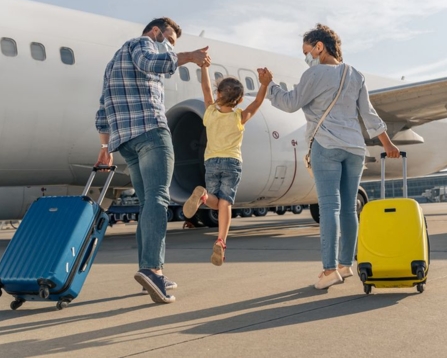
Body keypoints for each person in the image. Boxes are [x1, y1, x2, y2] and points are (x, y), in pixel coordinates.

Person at [260, 24, 400, 290]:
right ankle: (345, 265)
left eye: (307, 51)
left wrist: (269, 86)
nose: (306, 57)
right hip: (356, 148)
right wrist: (387, 143)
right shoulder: (355, 74)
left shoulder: (314, 74)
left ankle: (328, 270)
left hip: (326, 145)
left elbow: (290, 103)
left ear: (319, 47)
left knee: (329, 208)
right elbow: (369, 115)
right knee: (349, 209)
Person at [95, 17, 210, 304]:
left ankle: (148, 269)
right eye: (170, 39)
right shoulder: (143, 44)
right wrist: (190, 57)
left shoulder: (113, 64)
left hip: (126, 142)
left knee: (148, 204)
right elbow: (153, 63)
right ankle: (153, 269)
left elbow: (102, 109)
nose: (171, 46)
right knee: (159, 199)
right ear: (156, 31)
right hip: (150, 132)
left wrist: (104, 147)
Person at [182, 61, 270, 266]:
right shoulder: (239, 117)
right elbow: (257, 102)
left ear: (218, 93)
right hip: (232, 162)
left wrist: (204, 67)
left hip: (211, 161)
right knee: (226, 202)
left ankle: (203, 195)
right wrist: (264, 84)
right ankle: (221, 240)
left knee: (215, 200)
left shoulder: (210, 113)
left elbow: (205, 90)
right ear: (239, 100)